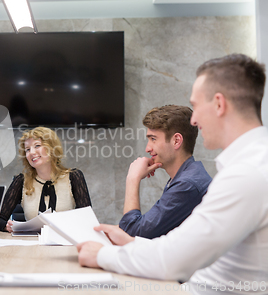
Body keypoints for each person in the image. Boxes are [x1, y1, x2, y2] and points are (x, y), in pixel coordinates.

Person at [77, 54, 268, 294]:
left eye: (196, 106)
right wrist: (133, 243)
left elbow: (172, 260)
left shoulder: (246, 174)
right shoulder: (251, 164)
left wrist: (103, 255)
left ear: (219, 104)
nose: (194, 120)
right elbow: (182, 248)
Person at [119, 105, 212, 238]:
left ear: (176, 141)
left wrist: (132, 179)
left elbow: (133, 233)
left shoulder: (187, 185)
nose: (147, 148)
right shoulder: (188, 175)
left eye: (153, 139)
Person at [0, 127, 91, 232]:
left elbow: (87, 220)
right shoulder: (21, 181)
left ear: (52, 148)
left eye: (37, 146)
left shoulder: (73, 177)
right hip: (31, 245)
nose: (31, 152)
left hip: (65, 245)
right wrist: (6, 226)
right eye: (27, 149)